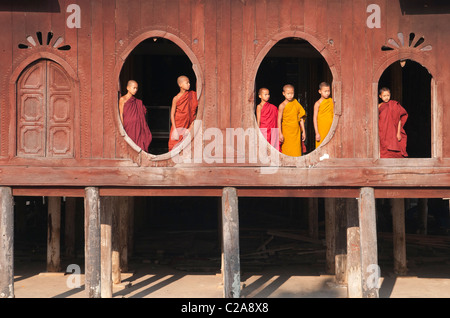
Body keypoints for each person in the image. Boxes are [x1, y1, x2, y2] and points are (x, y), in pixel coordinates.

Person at [119, 80, 152, 152]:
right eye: (134, 88)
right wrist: (122, 127)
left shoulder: (138, 102)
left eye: (136, 88)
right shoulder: (122, 99)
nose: (135, 90)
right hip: (128, 126)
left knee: (139, 144)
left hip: (138, 126)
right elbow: (121, 113)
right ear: (128, 88)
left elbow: (143, 112)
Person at [168, 75, 198, 151]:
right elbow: (172, 114)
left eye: (189, 83)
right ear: (180, 85)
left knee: (187, 148)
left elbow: (198, 111)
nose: (189, 84)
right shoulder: (176, 98)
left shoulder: (193, 95)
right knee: (174, 147)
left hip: (189, 124)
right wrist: (174, 129)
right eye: (186, 83)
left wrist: (190, 127)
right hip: (178, 125)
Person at [378, 87, 408, 158]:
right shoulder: (379, 106)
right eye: (384, 96)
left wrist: (398, 133)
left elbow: (399, 119)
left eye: (388, 95)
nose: (386, 98)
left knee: (395, 148)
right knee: (383, 148)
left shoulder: (394, 105)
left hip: (392, 131)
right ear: (380, 96)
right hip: (382, 130)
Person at [278, 84, 306, 157]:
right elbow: (279, 120)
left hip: (296, 132)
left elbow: (301, 118)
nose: (290, 95)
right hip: (286, 132)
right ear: (283, 93)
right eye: (288, 93)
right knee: (286, 151)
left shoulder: (296, 103)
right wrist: (280, 133)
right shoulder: (282, 106)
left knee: (296, 152)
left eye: (292, 93)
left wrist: (304, 131)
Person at [313, 82, 334, 148]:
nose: (327, 93)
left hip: (330, 128)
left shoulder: (331, 101)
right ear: (320, 91)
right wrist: (317, 133)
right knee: (321, 147)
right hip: (321, 130)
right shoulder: (318, 103)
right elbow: (315, 118)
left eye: (328, 91)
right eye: (325, 91)